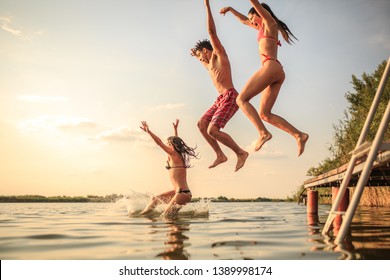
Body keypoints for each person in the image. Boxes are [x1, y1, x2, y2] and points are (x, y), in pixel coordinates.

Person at [220, 1, 309, 156]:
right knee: (265, 114)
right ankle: (299, 135)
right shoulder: (261, 27)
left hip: (270, 66)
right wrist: (231, 9)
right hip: (276, 71)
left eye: (253, 17)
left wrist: (253, 7)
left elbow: (257, 6)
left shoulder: (269, 23)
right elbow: (244, 21)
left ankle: (263, 133)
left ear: (258, 13)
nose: (252, 21)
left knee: (241, 100)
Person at [191, 0, 249, 172]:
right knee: (201, 124)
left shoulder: (218, 55)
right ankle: (220, 155)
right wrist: (194, 54)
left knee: (212, 130)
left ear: (206, 50)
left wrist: (207, 6)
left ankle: (240, 153)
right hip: (220, 99)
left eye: (201, 55)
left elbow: (211, 32)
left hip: (230, 96)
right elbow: (198, 56)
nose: (201, 59)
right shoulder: (208, 64)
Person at [139, 119, 198, 216]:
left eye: (168, 144)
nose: (166, 145)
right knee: (155, 199)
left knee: (166, 216)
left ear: (172, 145)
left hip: (182, 193)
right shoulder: (176, 155)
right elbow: (175, 140)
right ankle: (142, 216)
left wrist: (149, 132)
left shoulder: (174, 154)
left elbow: (159, 142)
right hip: (178, 192)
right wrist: (175, 130)